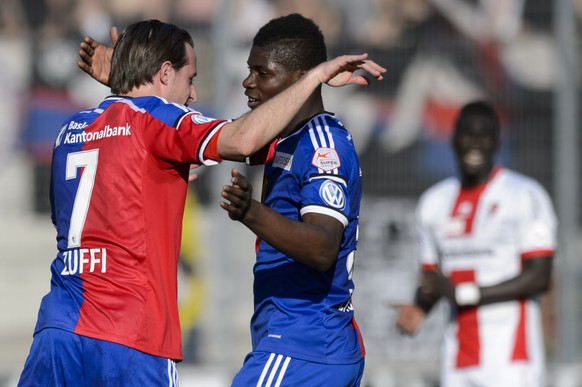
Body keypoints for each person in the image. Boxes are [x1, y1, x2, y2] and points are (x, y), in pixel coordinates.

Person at [18, 19, 386, 386]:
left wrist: (128, 82)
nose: (193, 96)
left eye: (260, 72)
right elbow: (241, 140)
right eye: (190, 79)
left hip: (58, 328)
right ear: (165, 73)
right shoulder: (157, 118)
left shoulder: (70, 131)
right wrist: (315, 78)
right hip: (130, 335)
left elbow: (84, 199)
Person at [219, 14, 366, 386]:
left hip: (304, 345)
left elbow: (322, 247)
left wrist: (250, 211)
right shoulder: (285, 137)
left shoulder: (321, 147)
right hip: (304, 343)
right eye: (248, 70)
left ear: (300, 80)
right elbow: (231, 140)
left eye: (262, 73)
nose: (247, 82)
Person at [395, 100, 557, 387]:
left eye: (484, 136)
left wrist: (465, 294)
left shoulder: (525, 195)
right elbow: (432, 278)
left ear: (496, 141)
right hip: (456, 360)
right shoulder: (434, 202)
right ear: (453, 139)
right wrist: (419, 308)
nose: (474, 144)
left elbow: (539, 277)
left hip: (512, 362)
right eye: (467, 134)